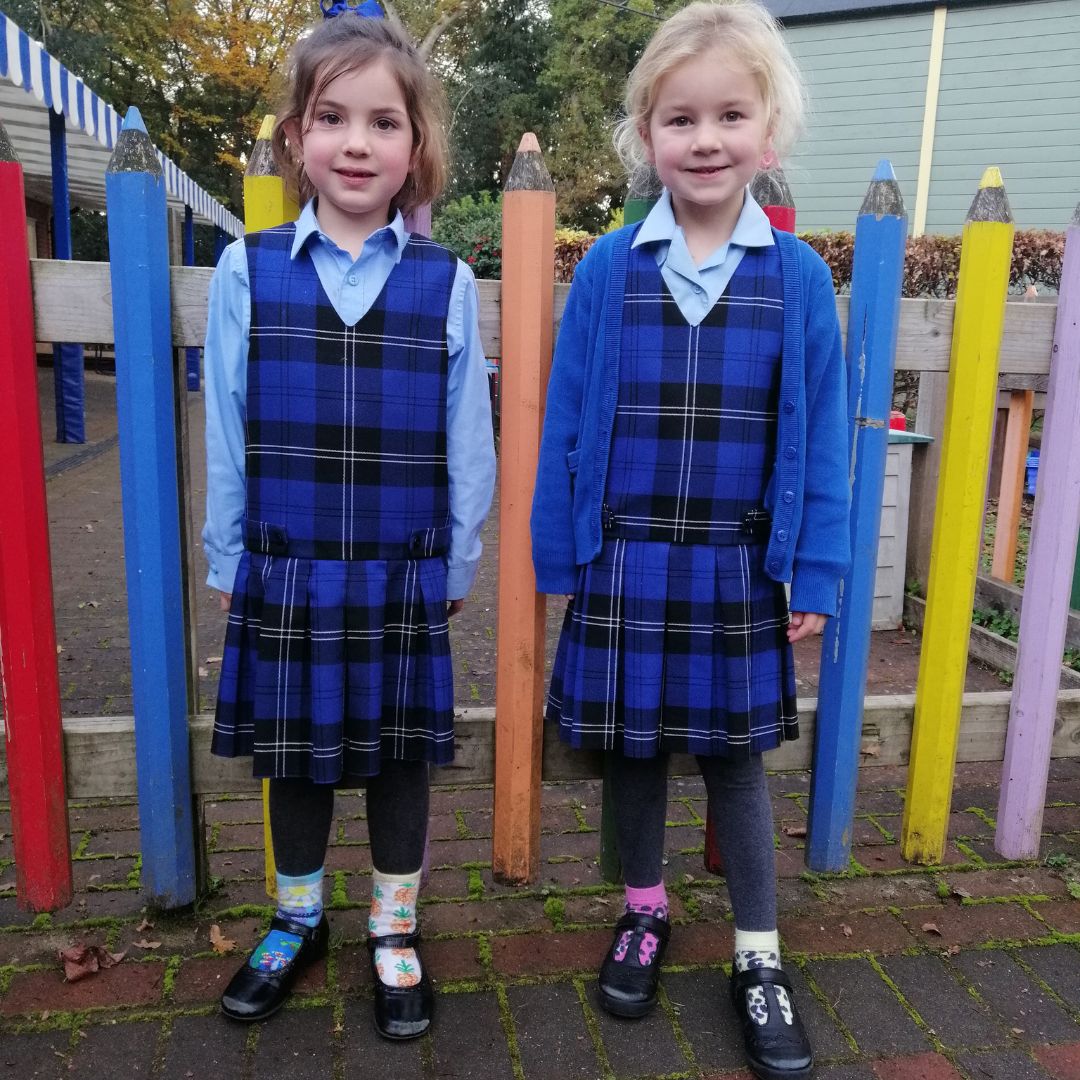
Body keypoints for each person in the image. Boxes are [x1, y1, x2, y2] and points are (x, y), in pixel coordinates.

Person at [531, 2, 849, 1076]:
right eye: (679, 118)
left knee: (736, 768)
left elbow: (821, 446)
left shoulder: (800, 282)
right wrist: (556, 555)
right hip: (624, 558)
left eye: (729, 114)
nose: (705, 138)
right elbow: (566, 422)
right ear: (645, 133)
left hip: (733, 569)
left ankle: (758, 953)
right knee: (632, 754)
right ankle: (643, 909)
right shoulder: (608, 271)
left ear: (768, 130)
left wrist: (812, 568)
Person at [202, 5, 495, 1039]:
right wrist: (227, 550)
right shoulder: (250, 268)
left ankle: (394, 926)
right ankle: (295, 917)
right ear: (296, 136)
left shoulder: (446, 281)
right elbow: (228, 423)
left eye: (383, 122)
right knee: (298, 756)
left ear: (417, 146)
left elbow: (470, 433)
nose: (357, 142)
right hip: (287, 565)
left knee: (398, 759)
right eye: (333, 117)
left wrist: (459, 548)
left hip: (397, 569)